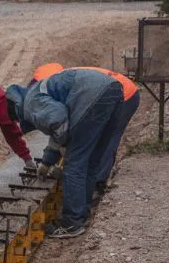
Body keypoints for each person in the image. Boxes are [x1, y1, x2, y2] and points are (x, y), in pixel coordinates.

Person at [6, 68, 124, 238]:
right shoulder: (38, 90)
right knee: (91, 160)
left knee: (74, 165)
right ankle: (82, 212)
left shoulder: (30, 102)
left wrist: (66, 146)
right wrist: (47, 161)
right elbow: (57, 127)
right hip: (113, 91)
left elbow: (58, 119)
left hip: (91, 95)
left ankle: (72, 223)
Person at [32, 62, 140, 195]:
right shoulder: (65, 79)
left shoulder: (60, 86)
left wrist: (59, 158)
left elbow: (66, 126)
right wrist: (49, 160)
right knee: (95, 137)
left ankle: (97, 184)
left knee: (106, 139)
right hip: (117, 89)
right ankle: (91, 182)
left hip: (125, 95)